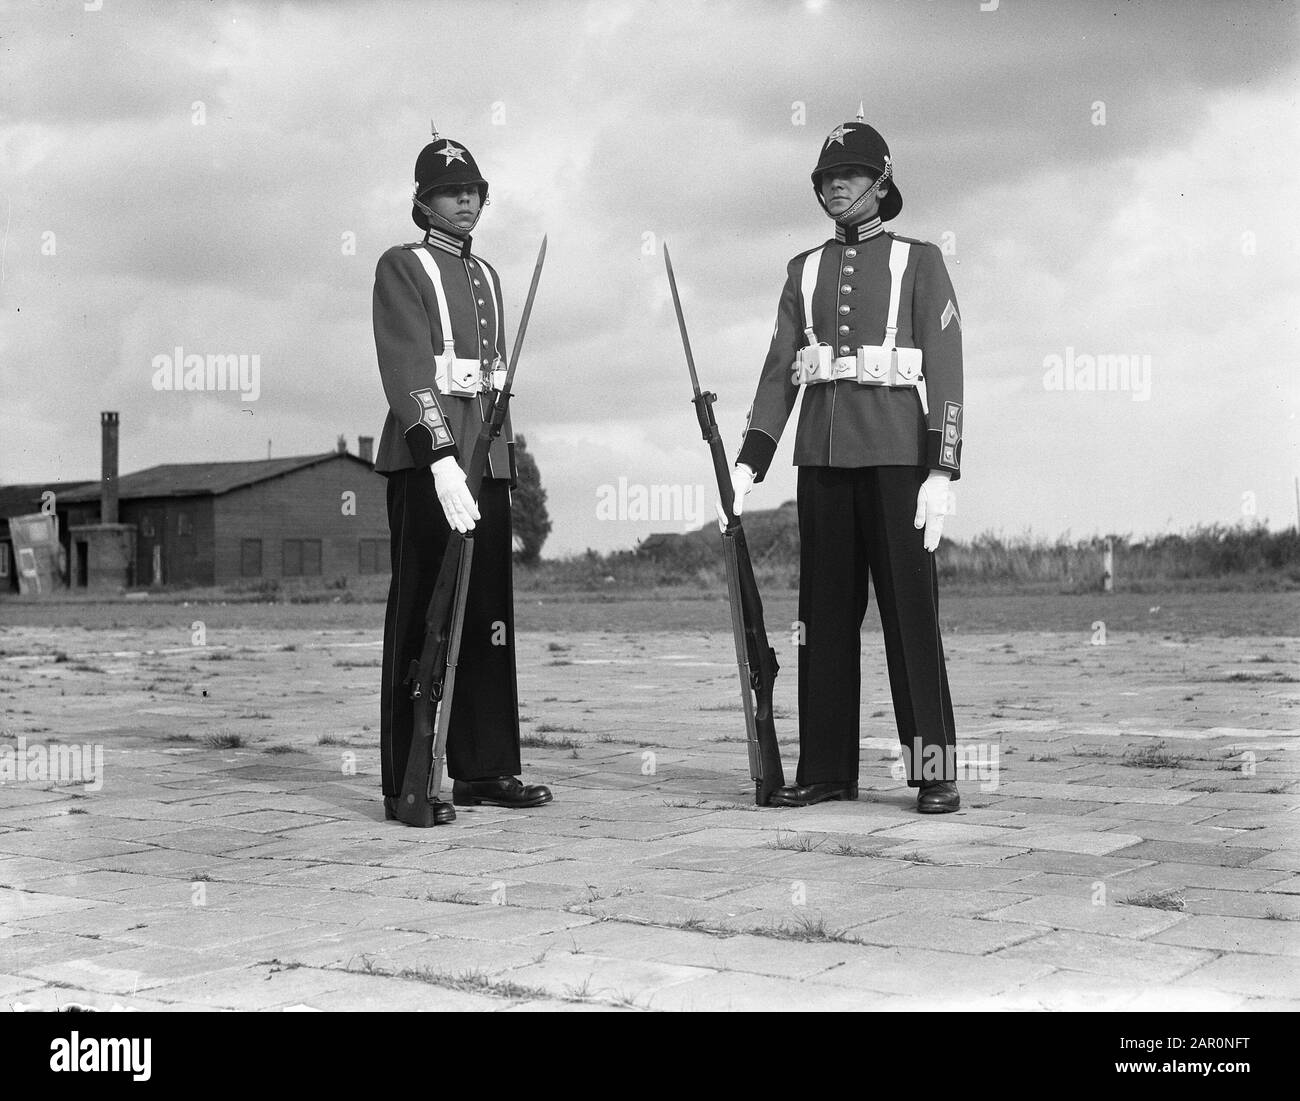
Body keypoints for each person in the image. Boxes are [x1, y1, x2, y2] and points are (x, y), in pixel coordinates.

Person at [730, 113, 964, 813]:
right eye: (828, 178)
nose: (836, 187)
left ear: (881, 183)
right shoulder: (802, 270)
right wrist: (750, 460)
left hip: (896, 456)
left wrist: (941, 467)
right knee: (822, 619)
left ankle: (935, 769)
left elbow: (947, 368)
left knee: (909, 617)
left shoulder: (919, 260)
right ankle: (828, 767)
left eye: (851, 175)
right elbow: (779, 371)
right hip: (823, 459)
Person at [371, 127, 552, 825]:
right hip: (430, 462)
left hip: (487, 461)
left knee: (488, 618)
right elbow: (407, 368)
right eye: (452, 191)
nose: (466, 201)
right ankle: (405, 780)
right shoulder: (401, 266)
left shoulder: (490, 277)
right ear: (423, 202)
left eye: (474, 190)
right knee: (420, 614)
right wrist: (439, 454)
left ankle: (484, 766)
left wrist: (486, 458)